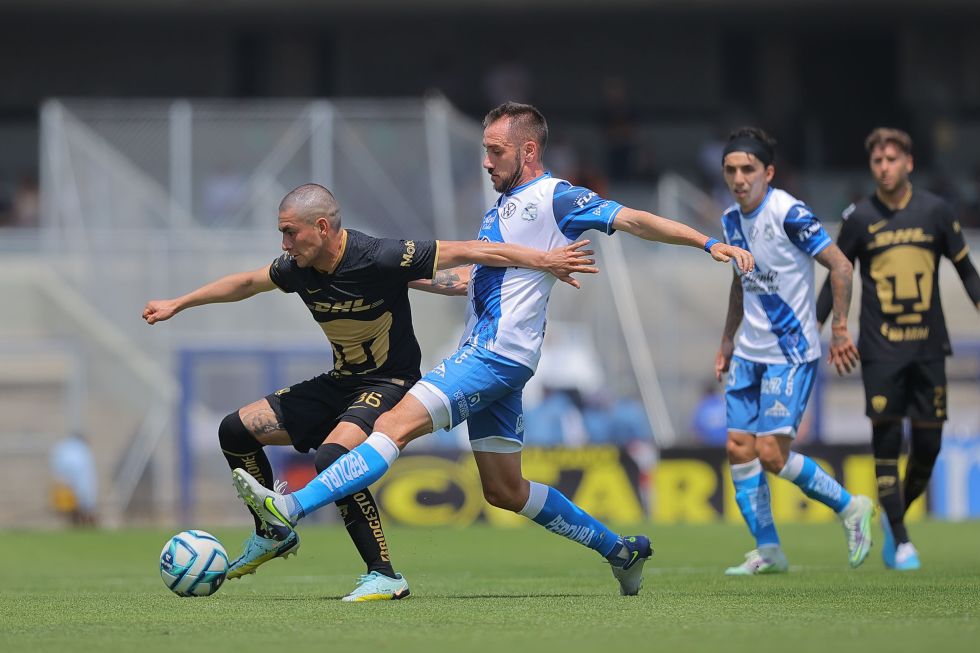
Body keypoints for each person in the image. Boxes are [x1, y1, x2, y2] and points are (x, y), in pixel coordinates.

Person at [231, 102, 755, 596]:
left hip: (492, 355)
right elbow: (471, 281)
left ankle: (292, 508)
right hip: (505, 361)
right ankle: (620, 550)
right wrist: (397, 280)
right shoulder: (505, 209)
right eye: (485, 150)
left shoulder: (555, 196)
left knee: (392, 425)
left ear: (528, 151)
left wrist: (709, 243)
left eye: (495, 150)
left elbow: (634, 218)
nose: (485, 161)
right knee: (505, 490)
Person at [143, 183, 595, 601]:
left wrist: (544, 261)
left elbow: (469, 250)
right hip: (340, 382)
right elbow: (245, 282)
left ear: (321, 228)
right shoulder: (297, 268)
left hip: (390, 383)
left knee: (331, 458)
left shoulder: (379, 255)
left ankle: (384, 574)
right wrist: (178, 303)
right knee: (234, 431)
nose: (284, 244)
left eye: (289, 232)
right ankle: (273, 529)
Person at [818, 127, 980, 571]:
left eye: (891, 159)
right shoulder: (860, 218)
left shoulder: (936, 212)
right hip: (881, 350)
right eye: (877, 161)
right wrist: (818, 328)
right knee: (885, 443)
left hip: (928, 348)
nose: (883, 168)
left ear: (909, 163)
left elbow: (966, 268)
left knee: (928, 448)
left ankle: (892, 516)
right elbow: (837, 276)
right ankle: (902, 541)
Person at [714, 127, 874, 576]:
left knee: (772, 453)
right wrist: (728, 339)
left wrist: (839, 327)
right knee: (738, 447)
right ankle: (770, 550)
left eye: (748, 169)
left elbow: (841, 265)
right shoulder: (729, 221)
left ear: (768, 172)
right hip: (748, 351)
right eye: (731, 170)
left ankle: (851, 507)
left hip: (790, 351)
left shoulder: (789, 213)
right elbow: (739, 283)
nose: (739, 178)